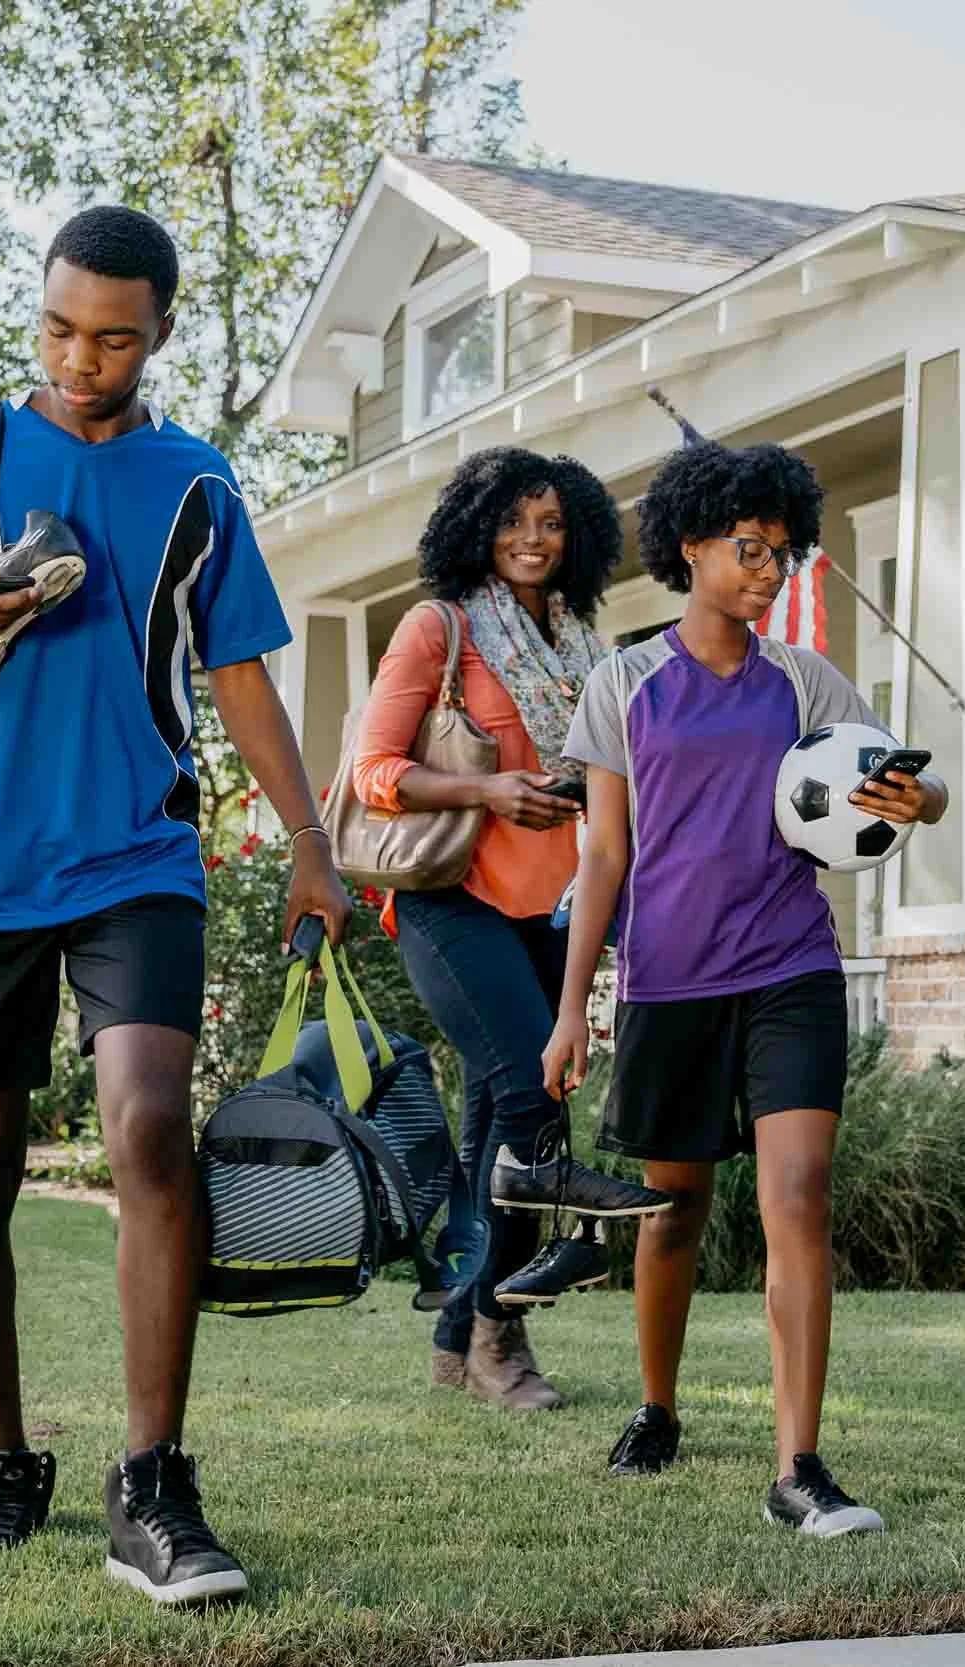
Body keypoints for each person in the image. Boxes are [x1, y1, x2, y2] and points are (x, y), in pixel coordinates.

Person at [0, 205, 351, 1606]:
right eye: (61, 327)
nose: (81, 357)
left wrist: (310, 838)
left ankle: (154, 1479)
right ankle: (5, 1463)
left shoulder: (196, 483)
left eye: (114, 335)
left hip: (140, 852)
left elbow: (240, 672)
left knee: (146, 1125)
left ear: (161, 334)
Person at [542, 438, 946, 1534]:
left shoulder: (805, 683)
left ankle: (799, 1466)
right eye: (750, 549)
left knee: (798, 1199)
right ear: (691, 546)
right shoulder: (624, 684)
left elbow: (902, 780)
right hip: (671, 980)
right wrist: (573, 1005)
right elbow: (602, 857)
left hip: (789, 968)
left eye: (783, 553)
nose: (769, 571)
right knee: (673, 1211)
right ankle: (657, 1404)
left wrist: (926, 799)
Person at [349, 447, 672, 1414]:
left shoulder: (584, 647)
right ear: (476, 528)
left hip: (554, 906)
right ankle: (507, 1328)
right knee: (531, 1101)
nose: (532, 542)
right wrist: (490, 788)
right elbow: (375, 769)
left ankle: (461, 1338)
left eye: (551, 525)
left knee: (497, 1122)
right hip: (450, 898)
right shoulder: (437, 628)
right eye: (511, 523)